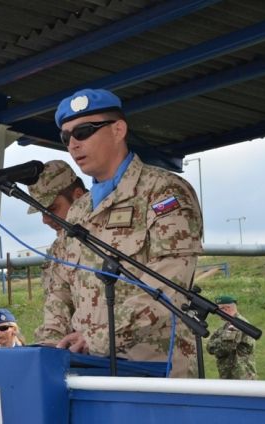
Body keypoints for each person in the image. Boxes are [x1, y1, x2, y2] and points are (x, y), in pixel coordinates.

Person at [35, 88, 203, 377]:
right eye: (66, 137)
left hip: (154, 367)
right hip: (88, 367)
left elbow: (169, 284)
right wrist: (50, 345)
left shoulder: (163, 191)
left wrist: (98, 338)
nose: (73, 144)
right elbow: (60, 287)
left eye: (83, 132)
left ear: (118, 130)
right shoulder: (79, 210)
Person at [26, 160, 87, 292]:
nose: (45, 220)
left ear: (79, 196)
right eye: (41, 212)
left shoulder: (108, 236)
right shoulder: (57, 248)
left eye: (52, 209)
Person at [206, 295, 257, 380]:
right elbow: (209, 346)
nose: (216, 313)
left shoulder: (238, 324)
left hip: (240, 377)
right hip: (231, 375)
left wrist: (216, 343)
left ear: (227, 308)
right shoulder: (227, 324)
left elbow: (224, 349)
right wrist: (218, 342)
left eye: (218, 310)